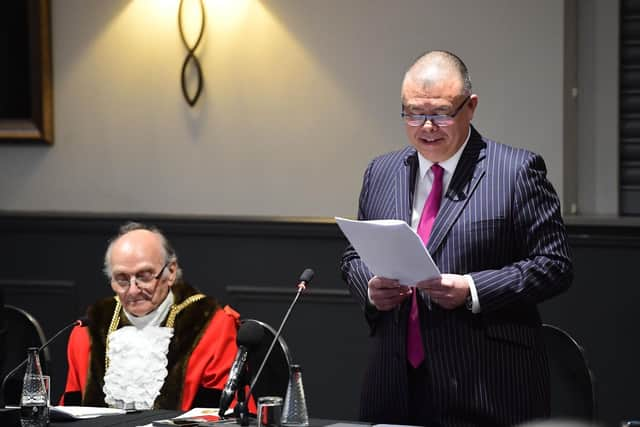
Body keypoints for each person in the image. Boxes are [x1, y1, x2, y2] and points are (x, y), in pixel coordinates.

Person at [340, 50, 573, 427]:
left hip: (486, 385)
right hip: (394, 384)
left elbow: (555, 264)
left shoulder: (516, 171)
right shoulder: (381, 171)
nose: (427, 127)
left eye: (441, 113)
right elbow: (354, 254)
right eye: (414, 113)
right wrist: (369, 287)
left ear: (471, 107)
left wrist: (473, 288)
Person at [61, 222, 240, 411]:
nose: (132, 290)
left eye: (144, 276)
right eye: (122, 278)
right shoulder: (86, 333)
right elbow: (71, 413)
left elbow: (222, 415)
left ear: (170, 272)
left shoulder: (211, 326)